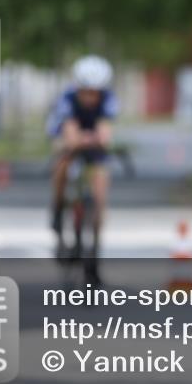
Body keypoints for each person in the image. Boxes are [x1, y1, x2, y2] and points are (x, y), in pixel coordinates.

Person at [47, 55, 118, 265]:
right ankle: (58, 207)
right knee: (62, 162)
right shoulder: (66, 99)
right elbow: (70, 134)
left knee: (100, 183)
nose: (89, 97)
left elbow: (105, 132)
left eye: (94, 92)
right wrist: (78, 140)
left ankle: (95, 236)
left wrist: (97, 139)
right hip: (69, 136)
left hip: (92, 142)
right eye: (85, 91)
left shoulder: (109, 100)